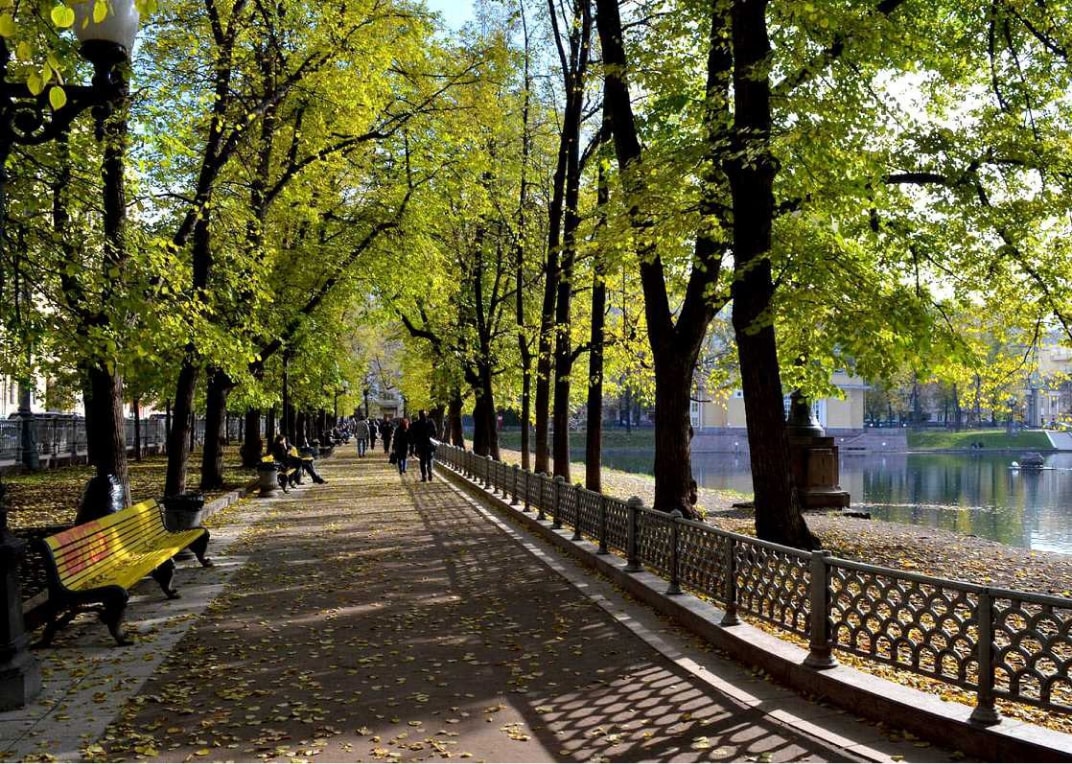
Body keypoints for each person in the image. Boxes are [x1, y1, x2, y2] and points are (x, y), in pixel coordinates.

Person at [412, 409, 438, 482]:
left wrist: (415, 443)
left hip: (421, 445)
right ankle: (430, 473)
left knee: (422, 461)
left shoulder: (416, 424)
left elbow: (413, 435)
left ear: (419, 415)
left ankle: (424, 476)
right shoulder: (431, 422)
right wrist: (431, 437)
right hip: (429, 444)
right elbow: (435, 433)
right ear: (425, 414)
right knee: (430, 460)